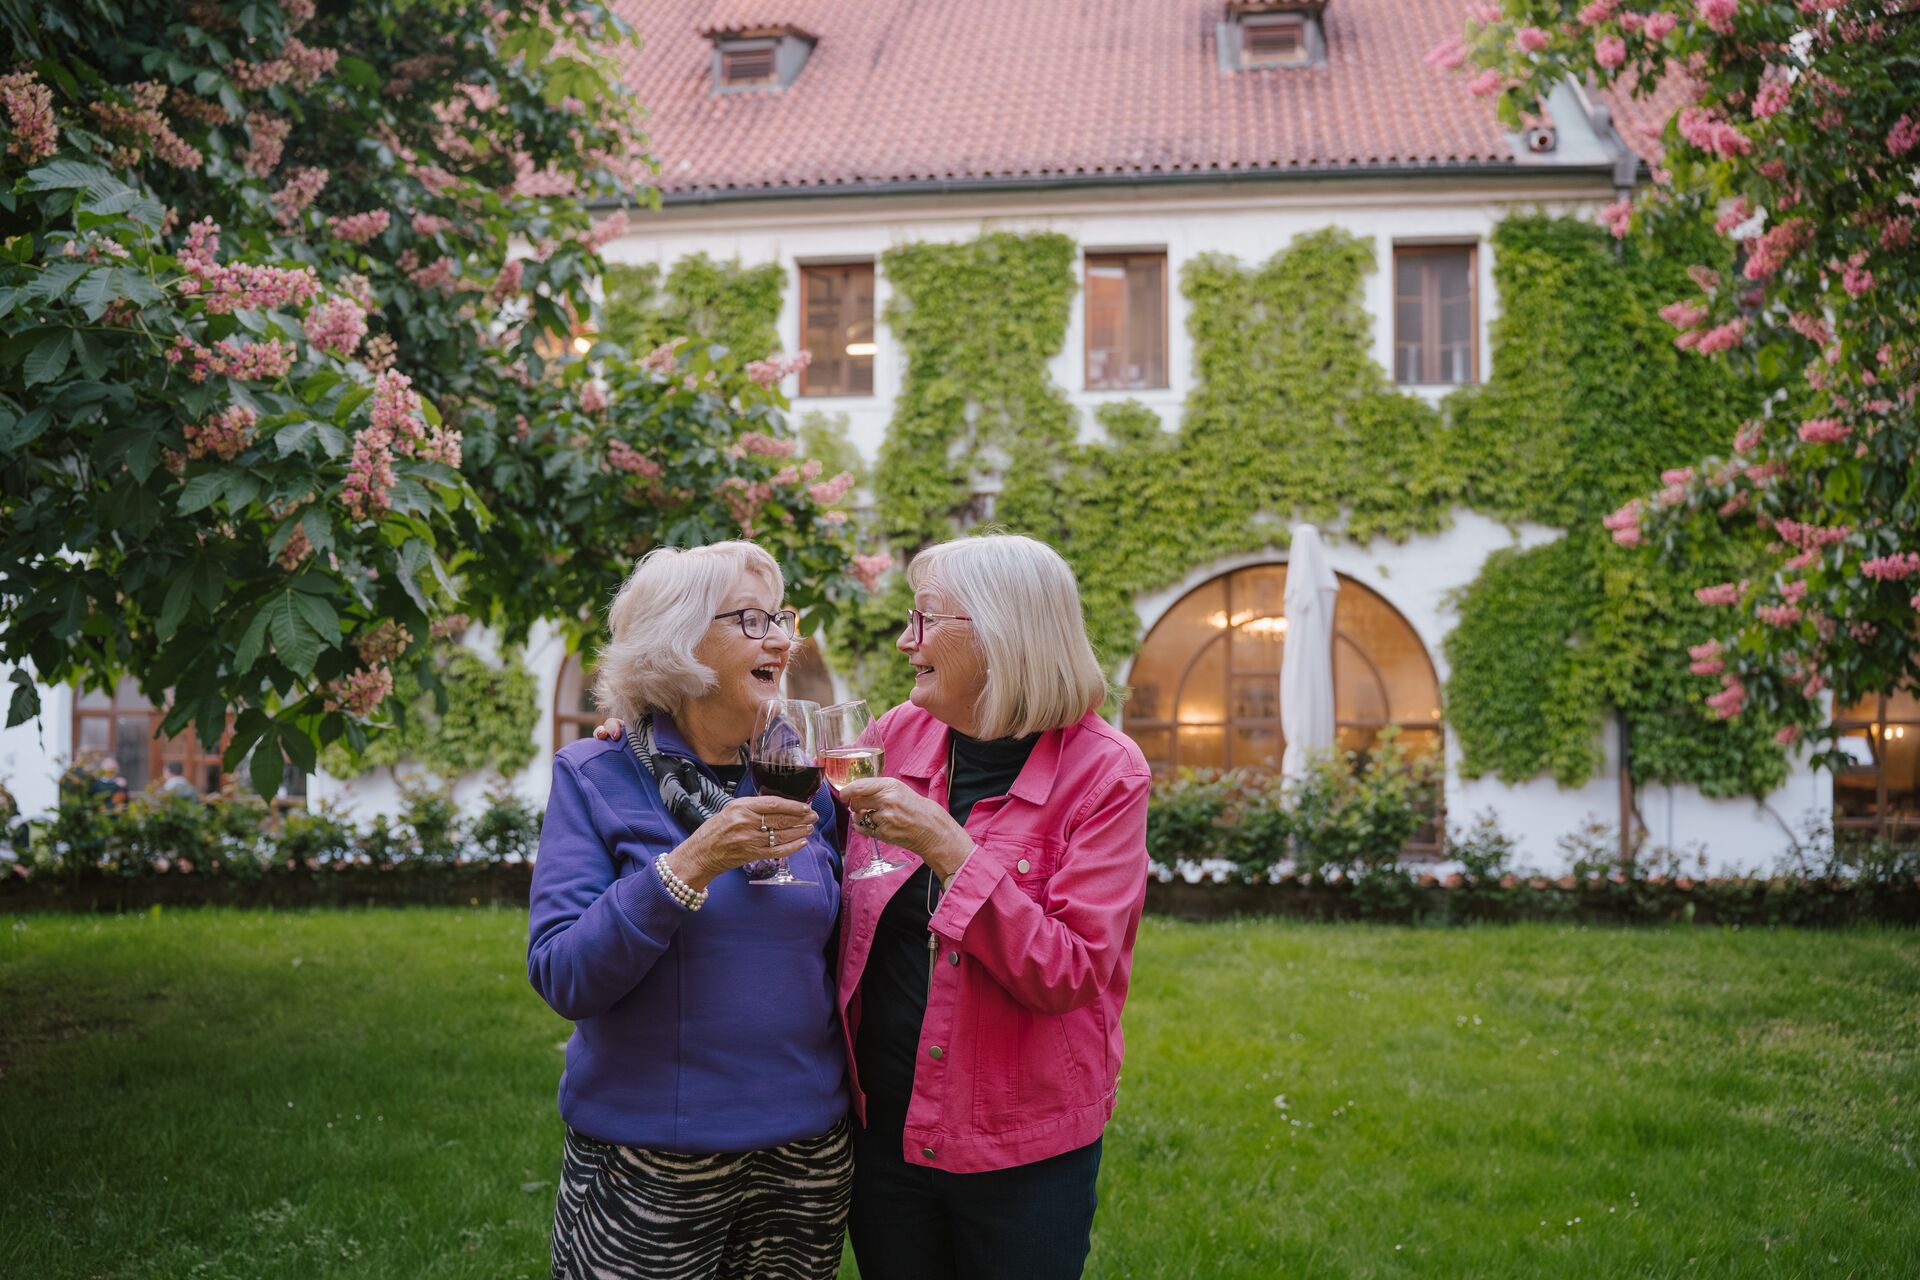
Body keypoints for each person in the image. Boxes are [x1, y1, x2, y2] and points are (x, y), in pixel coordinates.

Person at [527, 540, 851, 1280]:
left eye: (781, 617)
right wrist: (690, 863)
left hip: (806, 1158)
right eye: (750, 619)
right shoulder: (597, 775)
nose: (781, 638)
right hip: (651, 1162)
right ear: (678, 641)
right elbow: (563, 975)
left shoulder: (805, 780)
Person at [837, 533, 1151, 1280]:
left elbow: (1070, 972)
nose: (905, 640)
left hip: (1022, 1146)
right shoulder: (895, 735)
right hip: (884, 1129)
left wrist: (950, 850)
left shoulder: (1106, 774)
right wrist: (647, 741)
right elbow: (785, 814)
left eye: (926, 621)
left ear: (1000, 632)